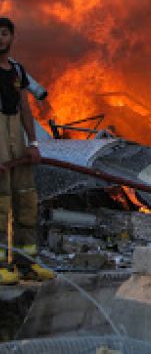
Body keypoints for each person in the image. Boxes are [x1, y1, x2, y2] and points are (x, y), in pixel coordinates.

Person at [0, 17, 52, 284]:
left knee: (26, 200)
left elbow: (25, 108)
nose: (0, 38)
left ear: (11, 37)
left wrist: (33, 143)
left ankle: (26, 264)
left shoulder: (18, 71)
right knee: (0, 204)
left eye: (4, 33)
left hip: (16, 137)